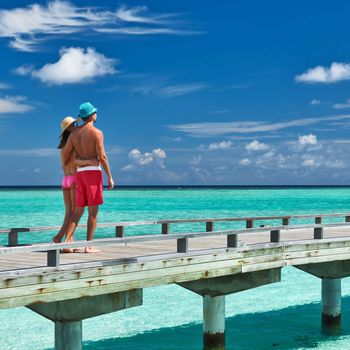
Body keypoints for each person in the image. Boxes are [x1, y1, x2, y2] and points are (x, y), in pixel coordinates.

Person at [61, 102, 115, 253]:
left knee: (78, 210)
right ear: (92, 115)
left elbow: (67, 156)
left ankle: (66, 242)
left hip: (80, 174)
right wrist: (110, 177)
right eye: (95, 112)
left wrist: (79, 161)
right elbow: (102, 156)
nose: (96, 114)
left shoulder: (73, 134)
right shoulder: (97, 133)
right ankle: (89, 245)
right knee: (93, 212)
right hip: (93, 174)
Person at [53, 116, 98, 251]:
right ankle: (60, 237)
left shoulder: (62, 147)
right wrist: (91, 162)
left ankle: (69, 241)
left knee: (69, 212)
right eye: (74, 124)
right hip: (74, 178)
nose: (76, 126)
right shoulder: (73, 144)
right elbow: (77, 162)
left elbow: (63, 164)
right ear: (69, 129)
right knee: (77, 211)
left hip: (65, 179)